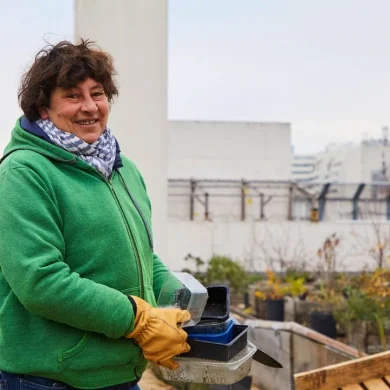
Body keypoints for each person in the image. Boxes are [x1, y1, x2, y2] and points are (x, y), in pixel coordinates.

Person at [0, 39, 191, 390]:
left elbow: (143, 257)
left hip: (118, 374)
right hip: (50, 379)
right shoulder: (25, 172)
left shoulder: (122, 169)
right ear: (43, 108)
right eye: (73, 96)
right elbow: (40, 281)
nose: (90, 107)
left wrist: (182, 305)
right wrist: (138, 320)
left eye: (97, 93)